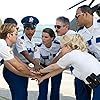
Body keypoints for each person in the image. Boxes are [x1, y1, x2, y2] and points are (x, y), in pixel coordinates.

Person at [35, 34, 100, 100]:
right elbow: (60, 69)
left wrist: (39, 71)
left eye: (61, 47)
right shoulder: (80, 53)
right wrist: (43, 77)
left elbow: (53, 67)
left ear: (67, 46)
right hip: (96, 84)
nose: (60, 50)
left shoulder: (70, 55)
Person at [11, 16, 42, 100]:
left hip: (24, 69)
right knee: (20, 95)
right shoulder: (19, 39)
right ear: (24, 29)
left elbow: (36, 56)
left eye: (32, 29)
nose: (29, 31)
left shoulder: (33, 42)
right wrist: (36, 65)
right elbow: (25, 54)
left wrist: (37, 65)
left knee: (23, 93)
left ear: (35, 30)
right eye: (27, 29)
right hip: (15, 69)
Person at [75, 5, 100, 100]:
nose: (76, 19)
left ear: (85, 14)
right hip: (92, 66)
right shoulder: (81, 33)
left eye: (77, 16)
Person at [37, 28, 61, 100]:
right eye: (42, 36)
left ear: (52, 38)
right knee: (43, 90)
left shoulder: (58, 45)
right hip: (43, 67)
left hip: (56, 67)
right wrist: (37, 66)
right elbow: (36, 58)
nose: (43, 39)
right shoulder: (39, 47)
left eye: (46, 37)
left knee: (55, 89)